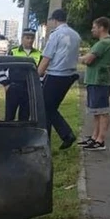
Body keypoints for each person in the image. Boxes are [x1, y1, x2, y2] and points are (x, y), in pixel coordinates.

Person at [37, 8, 81, 148]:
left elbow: (47, 57)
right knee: (51, 107)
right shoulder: (76, 35)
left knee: (45, 107)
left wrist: (37, 74)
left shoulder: (56, 35)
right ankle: (48, 139)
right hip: (69, 76)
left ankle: (66, 134)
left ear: (54, 20)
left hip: (56, 75)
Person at [78, 17, 110, 151]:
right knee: (96, 111)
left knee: (102, 111)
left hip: (100, 81)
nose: (92, 30)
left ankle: (101, 140)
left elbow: (88, 59)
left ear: (102, 28)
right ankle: (95, 137)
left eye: (94, 27)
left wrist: (79, 58)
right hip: (95, 81)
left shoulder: (104, 43)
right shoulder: (102, 43)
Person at [3, 28, 42, 121]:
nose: (30, 40)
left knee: (24, 117)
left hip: (29, 90)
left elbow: (41, 73)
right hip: (14, 88)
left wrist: (39, 88)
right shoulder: (13, 52)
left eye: (32, 38)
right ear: (22, 38)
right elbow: (1, 69)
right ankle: (8, 135)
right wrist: (6, 84)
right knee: (9, 117)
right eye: (27, 38)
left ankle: (21, 135)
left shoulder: (39, 54)